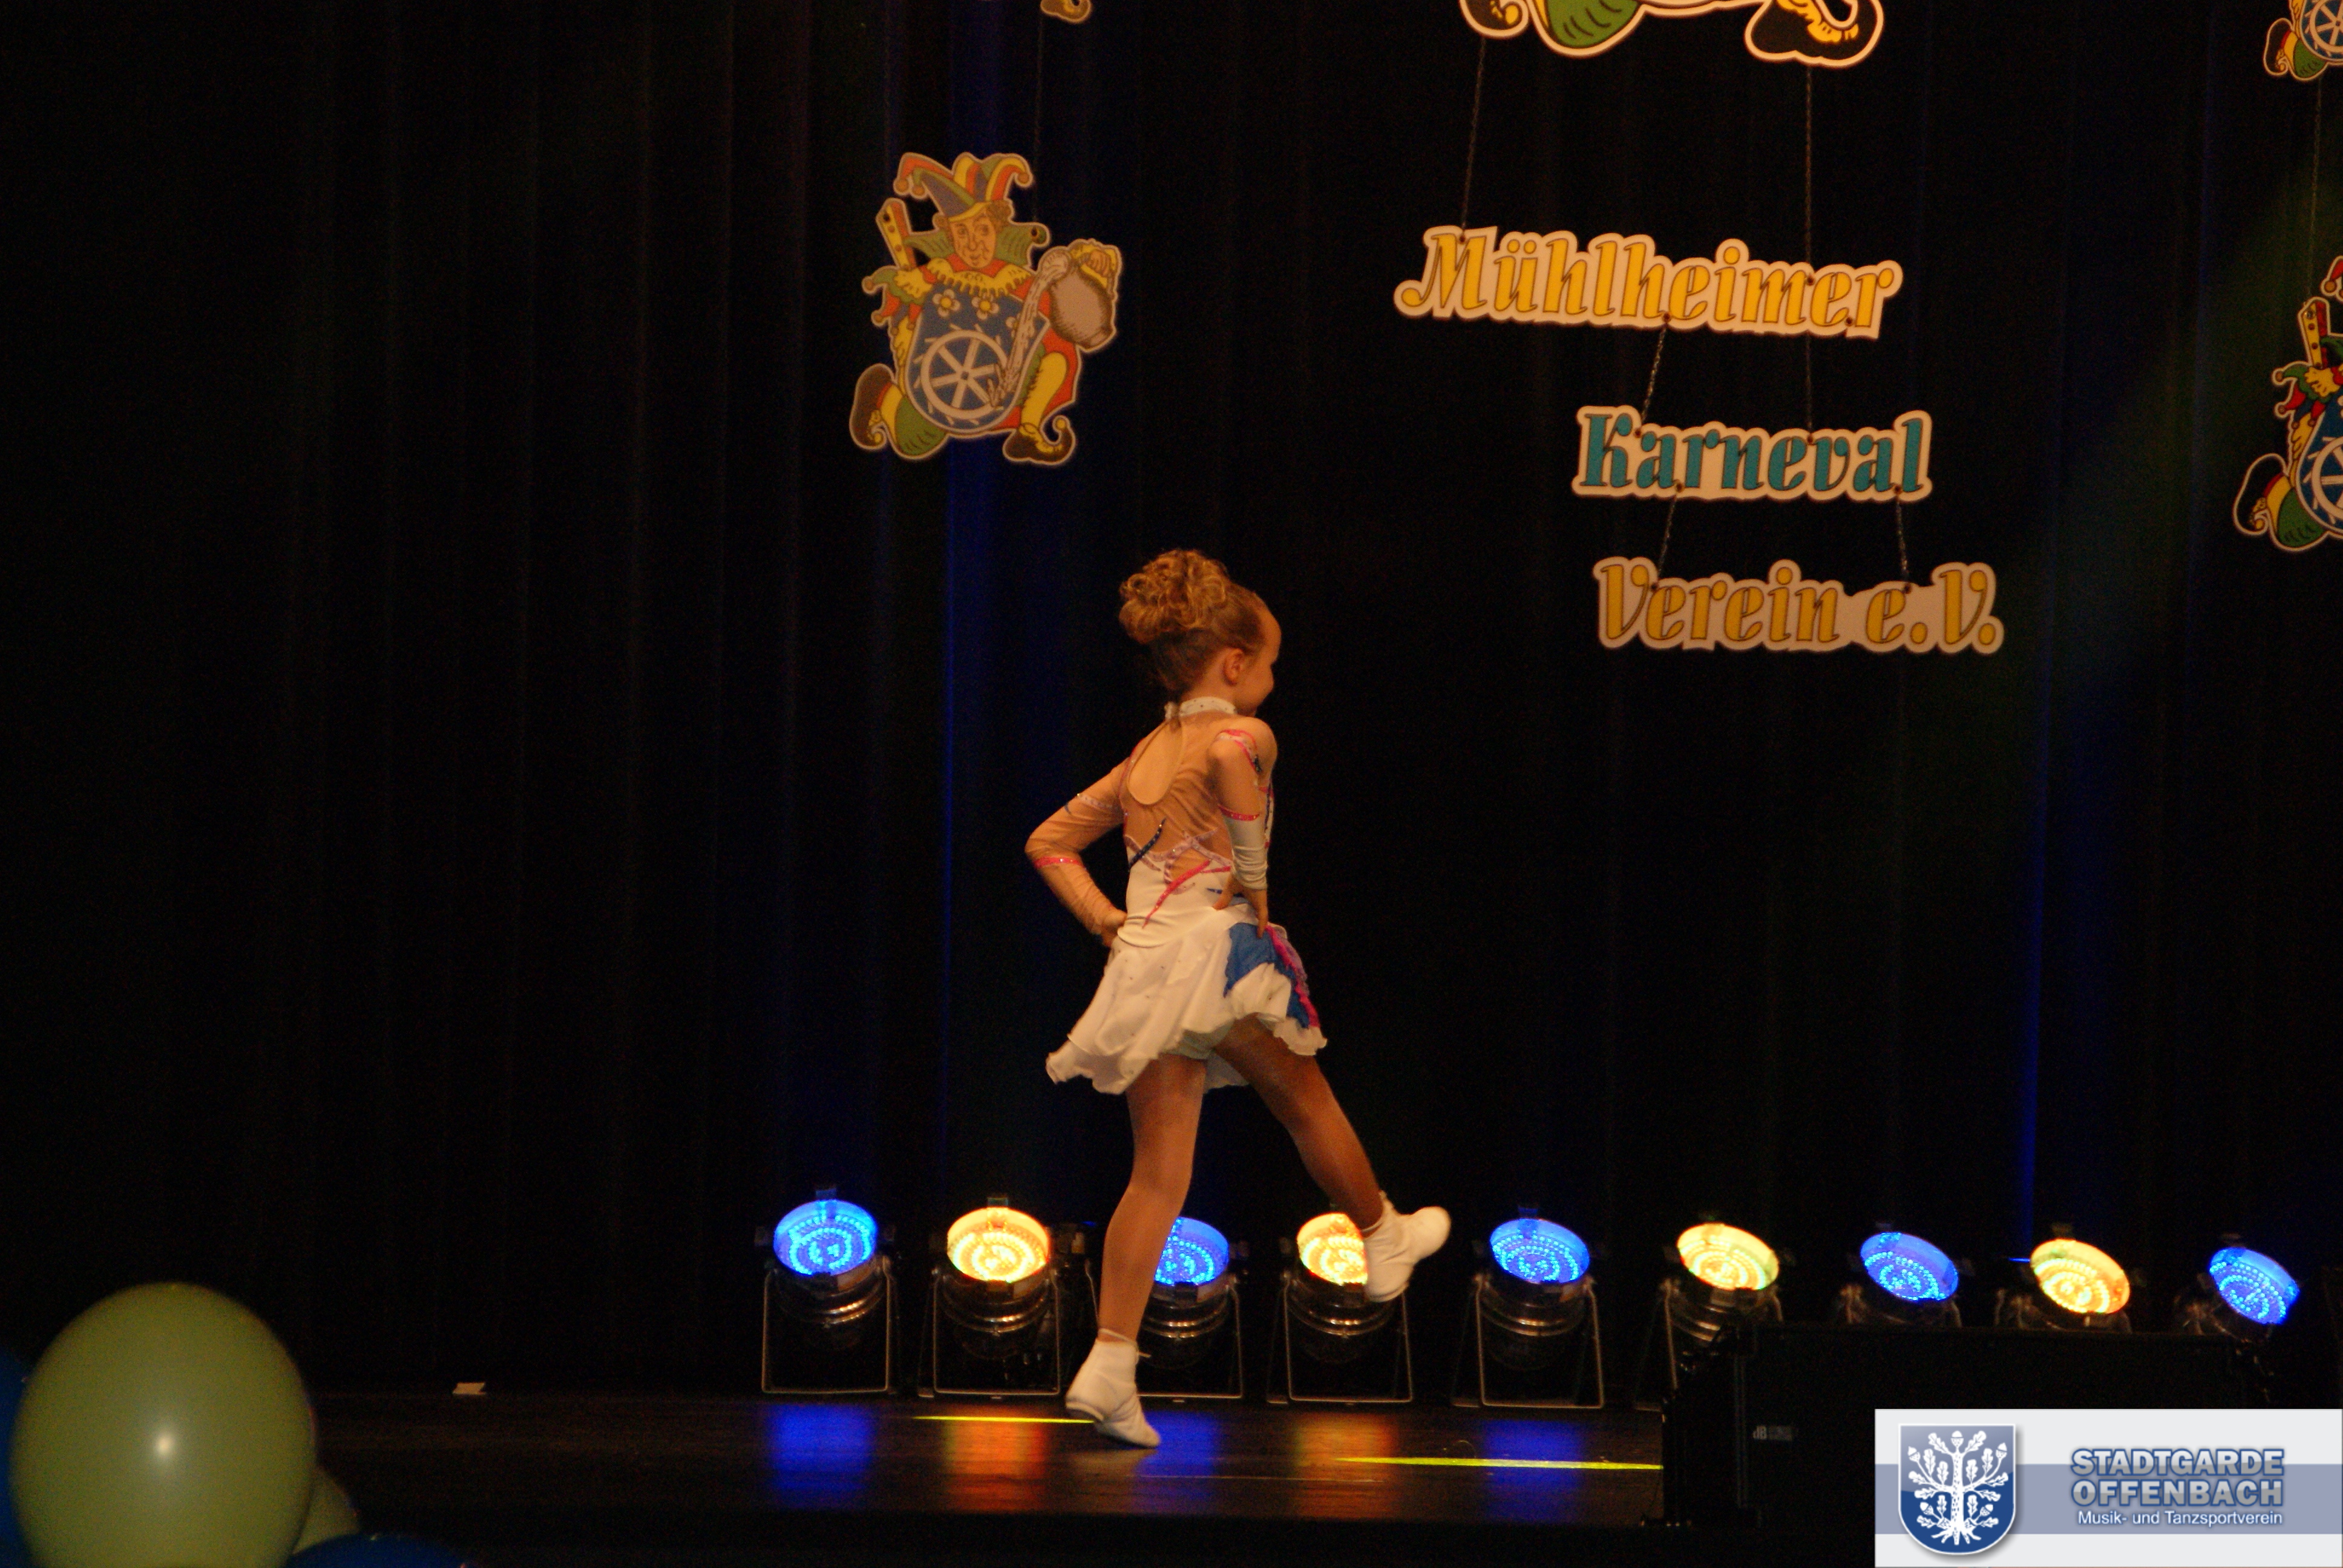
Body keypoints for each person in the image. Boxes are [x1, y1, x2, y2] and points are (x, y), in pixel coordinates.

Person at [1024, 549, 1449, 1446]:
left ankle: (1110, 1361)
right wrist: (1254, 886)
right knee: (1305, 1101)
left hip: (1148, 965)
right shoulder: (1246, 734)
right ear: (1232, 663)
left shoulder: (1144, 754)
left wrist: (1109, 923)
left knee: (1157, 1173)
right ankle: (1382, 1234)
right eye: (1270, 664)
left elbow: (1049, 842)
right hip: (1216, 955)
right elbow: (1231, 772)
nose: (1273, 682)